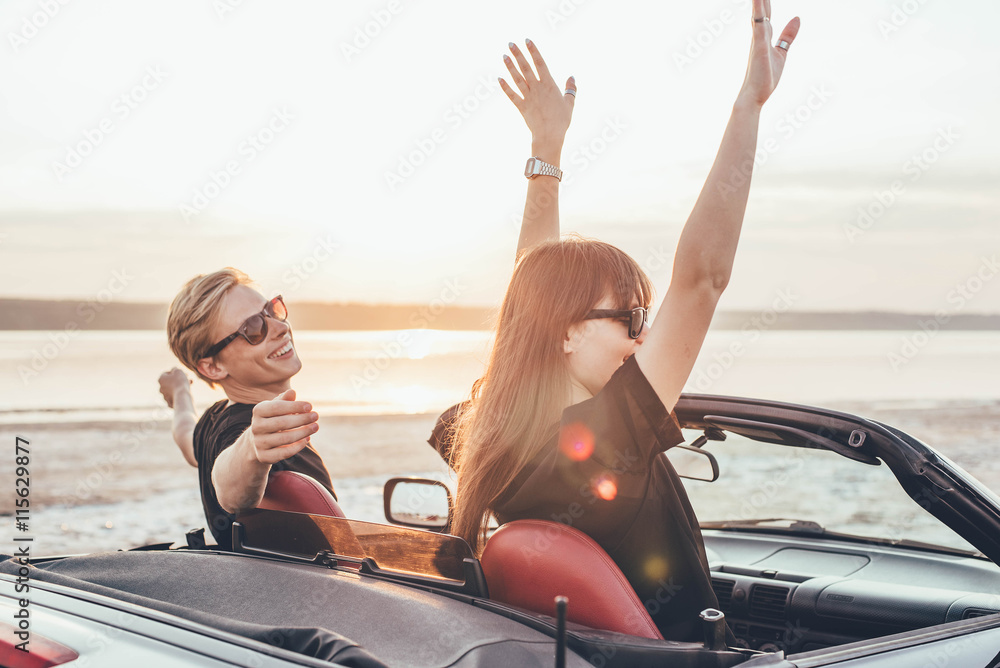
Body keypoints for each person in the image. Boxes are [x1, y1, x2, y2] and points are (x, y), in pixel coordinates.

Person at [448, 1, 800, 642]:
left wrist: (546, 152)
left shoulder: (489, 439)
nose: (644, 335)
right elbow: (701, 280)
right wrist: (749, 106)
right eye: (631, 316)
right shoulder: (599, 444)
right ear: (565, 332)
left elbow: (537, 289)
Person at [158, 268, 334, 550]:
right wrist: (252, 448)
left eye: (272, 310)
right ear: (213, 367)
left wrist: (180, 392)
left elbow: (185, 436)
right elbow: (230, 491)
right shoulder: (251, 432)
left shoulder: (214, 418)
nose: (281, 327)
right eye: (253, 329)